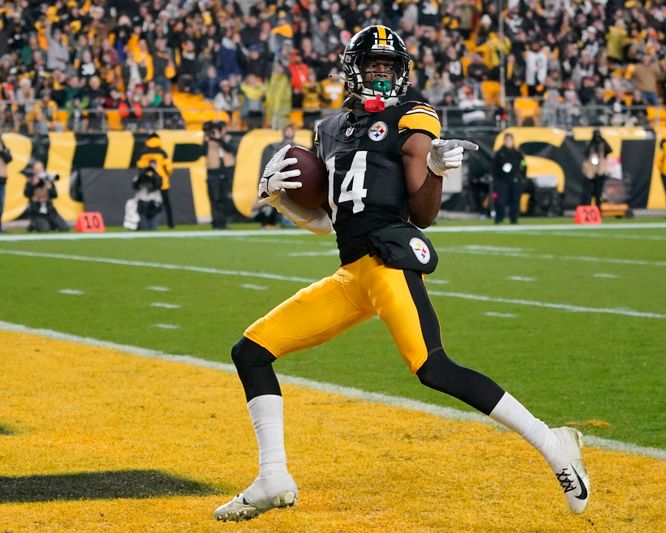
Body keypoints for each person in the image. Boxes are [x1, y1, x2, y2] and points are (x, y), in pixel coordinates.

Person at [213, 25, 590, 523]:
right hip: (352, 274)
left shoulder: (411, 117)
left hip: (389, 260)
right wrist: (283, 200)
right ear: (354, 70)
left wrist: (434, 169)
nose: (381, 75)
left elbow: (423, 211)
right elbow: (327, 221)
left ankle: (554, 443)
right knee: (252, 351)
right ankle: (273, 475)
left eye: (388, 67)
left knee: (433, 367)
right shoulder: (330, 129)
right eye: (372, 66)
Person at [136, 132, 174, 228]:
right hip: (162, 182)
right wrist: (166, 175)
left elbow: (140, 166)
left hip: (148, 183)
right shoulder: (162, 152)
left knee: (146, 202)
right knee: (166, 204)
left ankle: (146, 223)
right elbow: (169, 168)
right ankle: (171, 224)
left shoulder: (143, 152)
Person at [204, 121, 235, 229]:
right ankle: (216, 222)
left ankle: (223, 222)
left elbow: (229, 149)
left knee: (224, 199)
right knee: (214, 199)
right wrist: (210, 139)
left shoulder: (227, 139)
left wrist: (219, 139)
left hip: (226, 173)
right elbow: (202, 151)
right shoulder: (208, 141)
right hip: (213, 174)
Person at [23, 161, 69, 232]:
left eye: (40, 169)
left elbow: (55, 195)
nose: (38, 171)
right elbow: (26, 194)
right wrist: (33, 185)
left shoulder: (48, 180)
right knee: (44, 229)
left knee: (65, 228)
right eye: (36, 169)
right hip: (37, 212)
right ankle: (34, 224)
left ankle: (48, 223)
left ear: (43, 169)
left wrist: (50, 188)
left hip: (50, 211)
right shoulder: (31, 181)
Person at [492, 132, 527, 224]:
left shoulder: (518, 153)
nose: (508, 142)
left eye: (510, 140)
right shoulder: (499, 153)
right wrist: (496, 179)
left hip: (515, 180)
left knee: (515, 201)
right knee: (500, 200)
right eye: (507, 140)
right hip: (502, 180)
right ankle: (499, 218)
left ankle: (514, 219)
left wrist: (522, 177)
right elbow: (494, 167)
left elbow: (523, 164)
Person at [581, 129, 612, 207]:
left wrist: (603, 140)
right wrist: (592, 143)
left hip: (600, 172)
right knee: (588, 192)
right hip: (591, 172)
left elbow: (610, 150)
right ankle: (587, 208)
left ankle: (598, 208)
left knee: (599, 193)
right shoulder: (590, 144)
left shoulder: (603, 144)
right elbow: (585, 153)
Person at [0, 137, 11, 231]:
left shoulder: (5, 148)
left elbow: (9, 159)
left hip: (1, 180)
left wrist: (2, 150)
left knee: (1, 204)